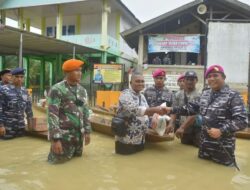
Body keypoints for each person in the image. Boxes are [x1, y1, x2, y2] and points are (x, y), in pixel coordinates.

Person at [165, 65, 247, 166]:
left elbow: (242, 121)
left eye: (215, 75)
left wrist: (221, 130)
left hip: (222, 148)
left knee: (222, 175)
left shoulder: (233, 95)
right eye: (209, 76)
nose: (212, 79)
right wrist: (171, 109)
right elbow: (190, 108)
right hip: (204, 146)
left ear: (223, 77)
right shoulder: (205, 94)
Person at [47, 59, 91, 164]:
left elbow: (85, 111)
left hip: (78, 137)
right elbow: (52, 115)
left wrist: (88, 131)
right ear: (67, 72)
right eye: (76, 70)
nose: (80, 73)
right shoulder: (57, 89)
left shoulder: (82, 90)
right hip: (64, 138)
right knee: (57, 164)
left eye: (80, 70)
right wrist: (56, 139)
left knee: (77, 165)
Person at [115, 72, 167, 155]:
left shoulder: (142, 96)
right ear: (131, 83)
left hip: (140, 139)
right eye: (138, 81)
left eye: (142, 81)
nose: (140, 83)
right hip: (126, 140)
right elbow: (134, 110)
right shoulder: (125, 94)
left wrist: (156, 117)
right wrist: (155, 110)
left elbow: (147, 113)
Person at [167, 71, 201, 147]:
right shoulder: (178, 94)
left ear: (196, 81)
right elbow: (174, 110)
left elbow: (193, 114)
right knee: (184, 145)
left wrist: (182, 127)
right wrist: (171, 123)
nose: (189, 82)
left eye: (192, 79)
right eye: (187, 79)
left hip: (197, 128)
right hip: (185, 129)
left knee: (198, 146)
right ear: (184, 80)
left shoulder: (200, 95)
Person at [0, 68, 33, 139]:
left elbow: (29, 109)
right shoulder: (3, 90)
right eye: (17, 77)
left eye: (21, 77)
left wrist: (30, 122)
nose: (19, 79)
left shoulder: (25, 91)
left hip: (21, 127)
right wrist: (1, 125)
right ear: (11, 77)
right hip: (7, 128)